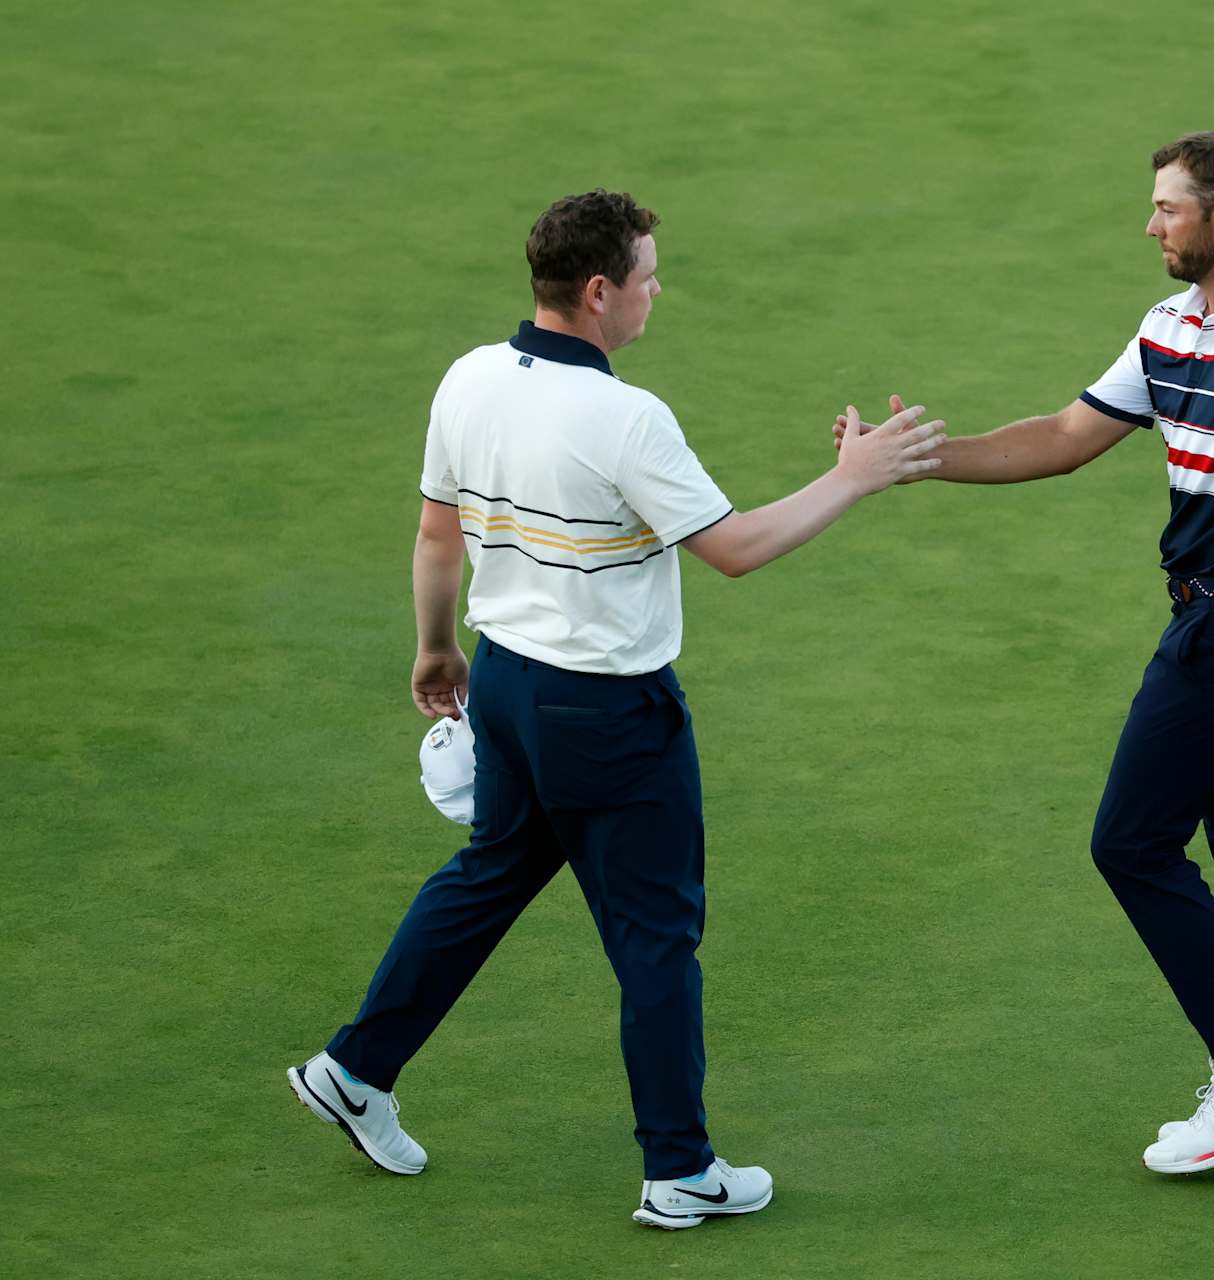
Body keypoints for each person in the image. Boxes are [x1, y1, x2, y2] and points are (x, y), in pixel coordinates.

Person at [286, 189, 944, 1229]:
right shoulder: (626, 417)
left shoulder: (469, 376)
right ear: (598, 292)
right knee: (654, 938)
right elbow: (733, 547)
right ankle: (680, 1167)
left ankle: (355, 1066)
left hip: (503, 684)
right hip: (609, 713)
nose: (655, 292)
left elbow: (435, 534)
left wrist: (435, 644)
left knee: (490, 872)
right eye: (645, 277)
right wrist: (852, 476)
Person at [838, 132, 1214, 1174]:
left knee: (1130, 841)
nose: (1151, 226)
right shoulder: (1171, 325)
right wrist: (912, 458)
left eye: (1169, 209)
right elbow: (1063, 433)